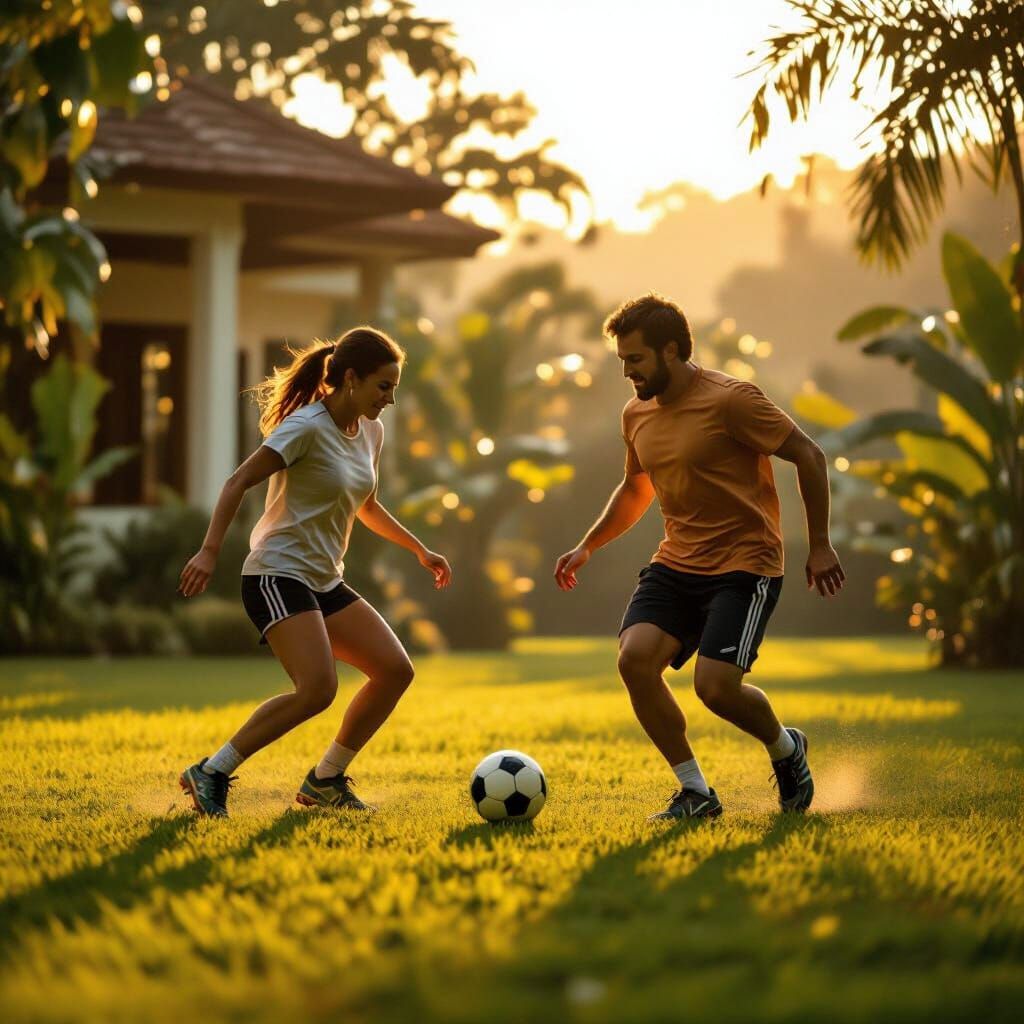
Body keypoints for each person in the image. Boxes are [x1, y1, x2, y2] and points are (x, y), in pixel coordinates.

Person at [554, 293, 844, 821]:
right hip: (677, 562)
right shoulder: (636, 413)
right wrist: (588, 545)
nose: (628, 373)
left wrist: (820, 543)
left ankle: (785, 748)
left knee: (715, 689)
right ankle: (695, 791)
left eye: (635, 360)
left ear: (671, 351)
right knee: (634, 660)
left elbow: (809, 453)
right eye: (622, 362)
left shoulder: (731, 399)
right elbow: (635, 487)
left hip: (745, 564)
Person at [177, 326, 451, 818]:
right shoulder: (305, 427)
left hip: (324, 579)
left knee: (394, 671)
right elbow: (238, 480)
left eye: (394, 388)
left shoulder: (371, 429)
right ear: (350, 378)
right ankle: (211, 772)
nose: (390, 399)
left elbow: (367, 506)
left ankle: (325, 780)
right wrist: (209, 550)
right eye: (382, 386)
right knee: (318, 689)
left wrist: (420, 549)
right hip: (276, 574)